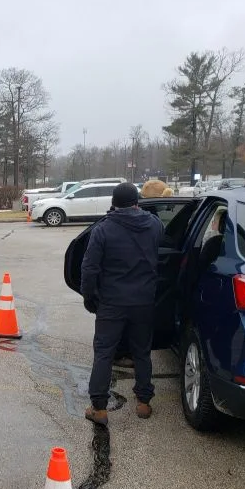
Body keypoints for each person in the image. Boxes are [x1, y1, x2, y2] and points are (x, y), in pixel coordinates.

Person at [81, 182, 164, 425]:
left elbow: (89, 268)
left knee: (104, 353)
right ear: (137, 202)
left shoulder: (103, 230)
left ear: (113, 204)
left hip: (112, 302)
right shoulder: (154, 225)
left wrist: (89, 297)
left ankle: (99, 408)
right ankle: (144, 402)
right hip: (144, 301)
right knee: (141, 351)